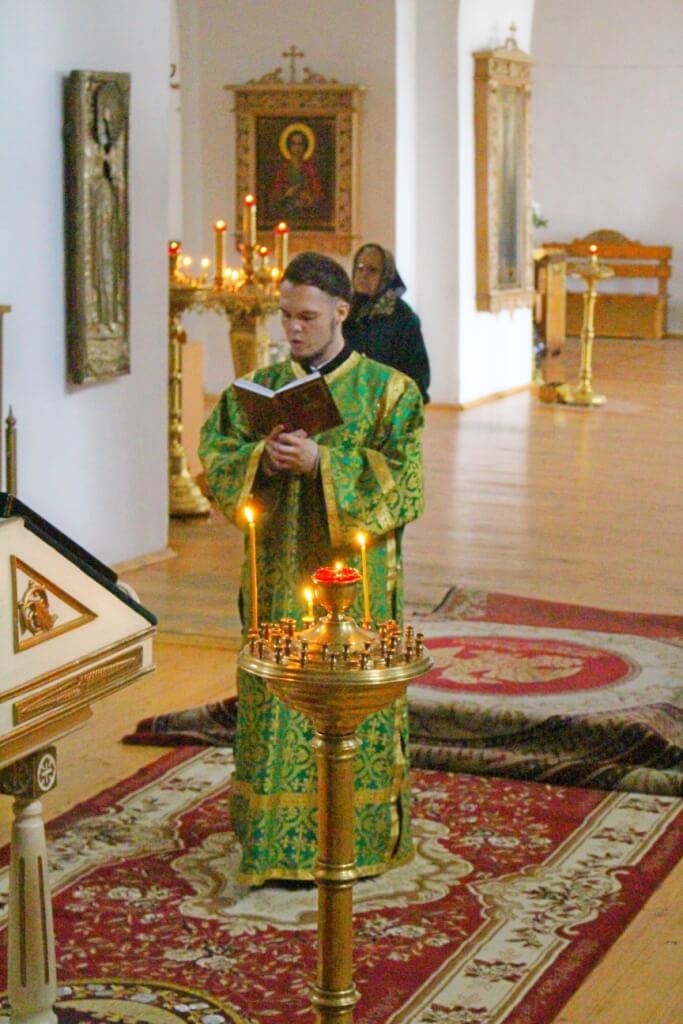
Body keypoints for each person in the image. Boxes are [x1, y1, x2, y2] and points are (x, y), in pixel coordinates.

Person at [199, 252, 425, 886]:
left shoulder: (390, 391)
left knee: (349, 693)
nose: (293, 329)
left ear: (341, 312)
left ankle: (358, 839)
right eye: (286, 316)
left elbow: (406, 484)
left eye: (307, 317)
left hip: (355, 583)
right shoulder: (257, 390)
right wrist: (262, 460)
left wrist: (323, 463)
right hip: (277, 576)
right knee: (277, 693)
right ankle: (272, 844)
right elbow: (218, 456)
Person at [343, 243, 431, 403]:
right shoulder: (346, 311)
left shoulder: (403, 317)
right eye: (360, 268)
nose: (363, 275)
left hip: (388, 402)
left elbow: (418, 374)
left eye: (372, 270)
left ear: (386, 275)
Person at [268, 125, 325, 227]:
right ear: (289, 147)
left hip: (306, 213)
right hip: (286, 212)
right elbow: (274, 197)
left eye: (300, 144)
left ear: (305, 146)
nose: (297, 148)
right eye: (294, 144)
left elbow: (319, 195)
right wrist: (286, 195)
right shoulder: (283, 170)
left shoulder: (310, 169)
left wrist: (309, 198)